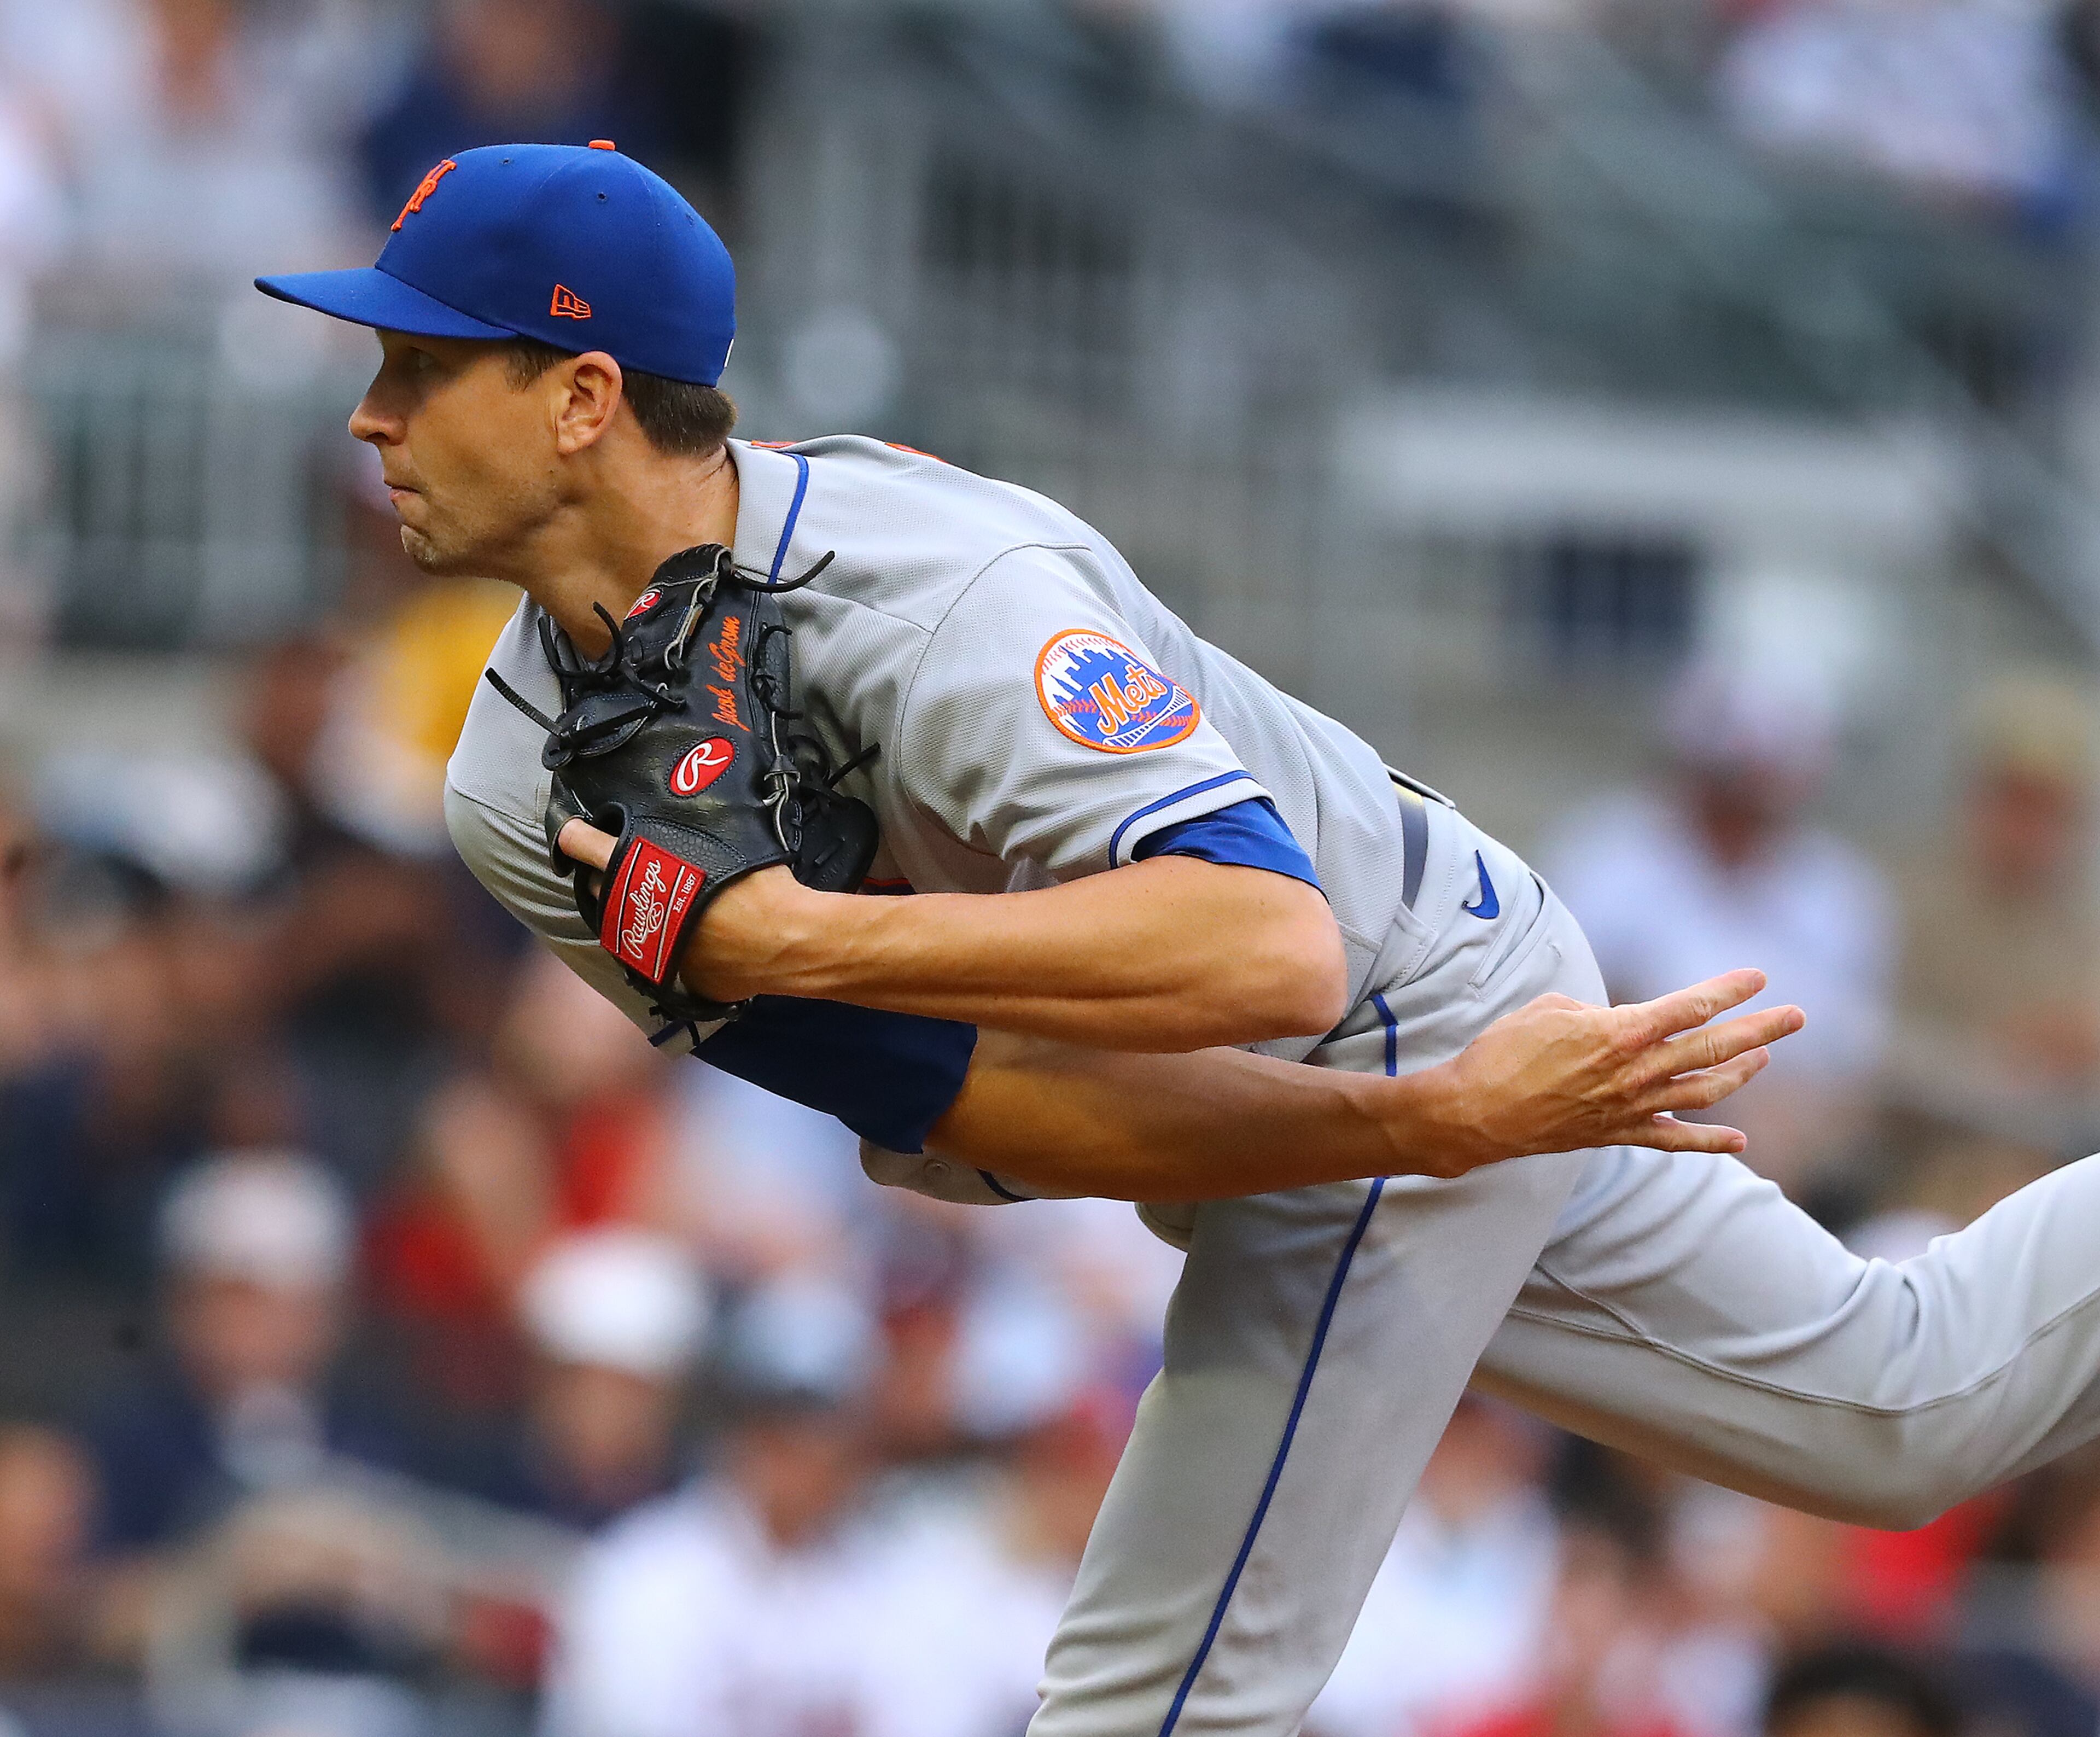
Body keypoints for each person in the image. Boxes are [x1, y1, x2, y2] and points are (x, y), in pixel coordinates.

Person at [252, 142, 2100, 1737]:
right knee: (1902, 1411)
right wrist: (1425, 1134)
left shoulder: (934, 600)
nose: (371, 413)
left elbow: (1270, 954)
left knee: (1157, 1703)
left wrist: (800, 937)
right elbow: (995, 1107)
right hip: (1335, 1094)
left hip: (1400, 1002)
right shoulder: (515, 790)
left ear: (582, 398)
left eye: (419, 360)